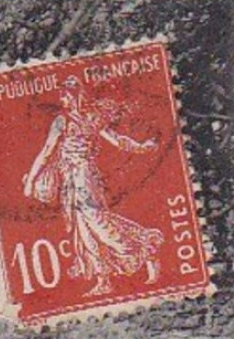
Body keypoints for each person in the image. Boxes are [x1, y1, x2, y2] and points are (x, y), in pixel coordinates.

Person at [22, 77, 163, 297]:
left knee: (98, 222)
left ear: (75, 95)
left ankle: (144, 250)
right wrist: (31, 179)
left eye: (66, 94)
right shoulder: (63, 120)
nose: (63, 99)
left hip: (85, 177)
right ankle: (103, 279)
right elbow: (47, 151)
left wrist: (143, 147)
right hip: (70, 179)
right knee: (83, 229)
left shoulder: (89, 118)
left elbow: (117, 140)